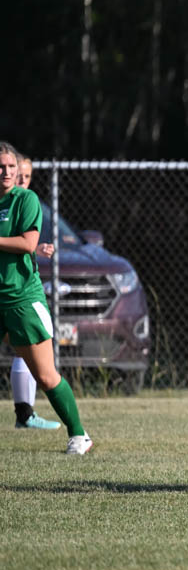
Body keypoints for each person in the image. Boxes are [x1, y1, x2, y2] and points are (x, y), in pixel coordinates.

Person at [0, 141, 91, 454]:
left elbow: (28, 243)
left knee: (46, 375)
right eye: (1, 167)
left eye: (11, 167)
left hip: (21, 299)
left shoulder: (25, 200)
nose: (6, 172)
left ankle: (79, 435)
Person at [11, 154, 60, 429]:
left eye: (27, 177)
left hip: (22, 289)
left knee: (25, 351)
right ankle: (25, 413)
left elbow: (22, 243)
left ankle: (25, 413)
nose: (22, 180)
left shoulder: (26, 203)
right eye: (19, 175)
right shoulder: (11, 203)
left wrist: (35, 248)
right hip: (14, 294)